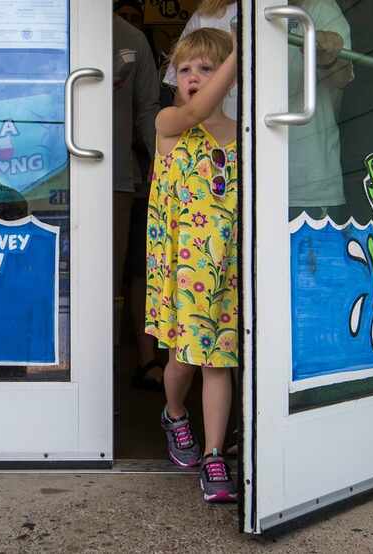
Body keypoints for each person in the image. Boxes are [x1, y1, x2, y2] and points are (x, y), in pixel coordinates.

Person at [146, 27, 239, 503]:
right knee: (182, 362)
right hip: (182, 271)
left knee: (217, 362)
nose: (195, 77)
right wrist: (242, 51)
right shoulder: (171, 122)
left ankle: (215, 455)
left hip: (224, 269)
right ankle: (175, 413)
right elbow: (199, 111)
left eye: (208, 68)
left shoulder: (242, 134)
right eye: (186, 69)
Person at [112, 10, 162, 389]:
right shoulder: (50, 21)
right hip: (43, 170)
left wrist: (166, 165)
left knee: (109, 279)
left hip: (114, 175)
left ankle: (102, 377)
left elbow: (148, 109)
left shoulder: (131, 37)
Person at [288, 0, 354, 215]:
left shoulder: (320, 9)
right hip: (230, 177)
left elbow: (342, 78)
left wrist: (328, 56)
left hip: (309, 181)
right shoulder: (217, 15)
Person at [163, 0, 238, 120]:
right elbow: (181, 95)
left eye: (205, 68)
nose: (193, 77)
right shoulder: (204, 16)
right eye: (184, 70)